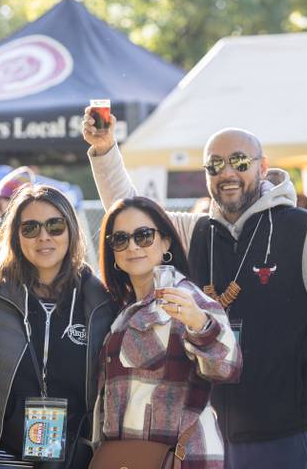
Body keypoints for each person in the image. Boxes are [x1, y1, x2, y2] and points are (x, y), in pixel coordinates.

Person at [83, 110, 307, 468]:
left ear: (263, 167)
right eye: (215, 165)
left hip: (283, 428)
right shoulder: (197, 231)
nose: (227, 173)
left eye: (239, 161)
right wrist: (106, 150)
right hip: (206, 435)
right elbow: (134, 214)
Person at [0, 185, 116, 469]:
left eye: (55, 226)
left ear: (71, 229)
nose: (43, 236)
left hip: (70, 457)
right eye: (30, 228)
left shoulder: (98, 299)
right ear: (16, 236)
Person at [94, 196, 241, 468]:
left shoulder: (185, 298)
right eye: (121, 239)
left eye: (144, 236)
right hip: (130, 458)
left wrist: (201, 324)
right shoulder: (122, 309)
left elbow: (227, 367)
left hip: (183, 459)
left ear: (166, 242)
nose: (133, 246)